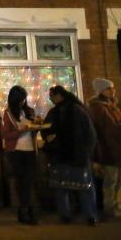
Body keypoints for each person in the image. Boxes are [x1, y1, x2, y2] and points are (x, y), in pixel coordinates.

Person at [42, 85, 98, 226]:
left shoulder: (65, 111)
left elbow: (46, 130)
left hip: (64, 155)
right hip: (76, 155)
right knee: (83, 187)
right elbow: (90, 134)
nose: (51, 99)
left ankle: (67, 215)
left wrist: (49, 138)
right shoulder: (77, 110)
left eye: (52, 96)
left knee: (65, 188)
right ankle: (89, 216)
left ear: (59, 95)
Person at [86, 78, 121, 218]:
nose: (113, 91)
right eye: (109, 89)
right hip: (108, 151)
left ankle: (120, 205)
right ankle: (111, 207)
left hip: (119, 149)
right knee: (111, 181)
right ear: (102, 91)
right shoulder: (98, 109)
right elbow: (101, 132)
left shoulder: (112, 107)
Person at [0, 85, 40, 225]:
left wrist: (36, 126)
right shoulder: (9, 114)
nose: (22, 102)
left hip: (30, 150)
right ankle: (24, 210)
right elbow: (5, 134)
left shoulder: (29, 111)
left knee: (29, 181)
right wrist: (21, 130)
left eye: (24, 99)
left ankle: (29, 209)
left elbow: (34, 129)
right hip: (16, 151)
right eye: (20, 100)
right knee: (21, 182)